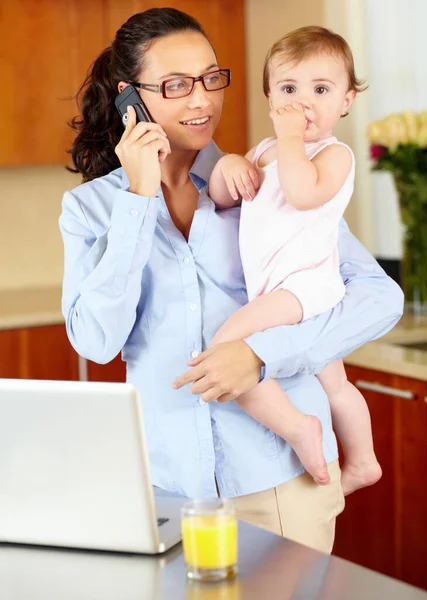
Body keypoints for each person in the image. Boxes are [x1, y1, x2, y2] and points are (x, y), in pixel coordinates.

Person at [59, 7, 403, 553]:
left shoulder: (265, 181)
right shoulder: (91, 210)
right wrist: (138, 201)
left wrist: (265, 356)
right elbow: (97, 343)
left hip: (282, 478)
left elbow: (380, 296)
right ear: (131, 97)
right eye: (175, 85)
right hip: (167, 487)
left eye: (210, 78)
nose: (202, 100)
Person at [205, 26, 382, 495]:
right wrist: (228, 168)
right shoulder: (264, 151)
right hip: (277, 288)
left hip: (305, 286)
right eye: (288, 90)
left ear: (346, 100)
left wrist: (287, 139)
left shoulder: (335, 155)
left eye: (320, 90)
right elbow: (224, 200)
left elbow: (302, 193)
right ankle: (363, 461)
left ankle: (299, 429)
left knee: (227, 349)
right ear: (269, 98)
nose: (303, 104)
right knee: (336, 384)